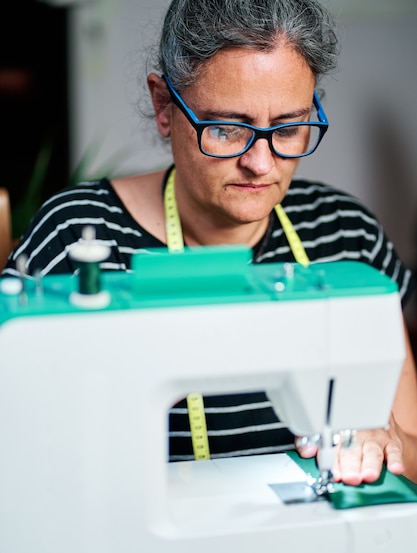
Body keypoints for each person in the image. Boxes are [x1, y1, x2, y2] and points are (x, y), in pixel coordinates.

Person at [2, 0, 417, 485]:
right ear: (164, 107)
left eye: (287, 127)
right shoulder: (76, 237)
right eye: (225, 128)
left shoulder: (345, 232)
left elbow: (410, 441)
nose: (261, 163)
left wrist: (390, 445)